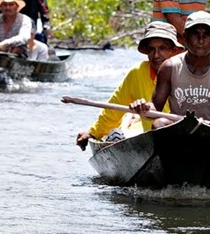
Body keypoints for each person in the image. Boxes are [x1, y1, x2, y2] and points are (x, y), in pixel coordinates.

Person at [130, 11, 210, 143]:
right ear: (185, 37)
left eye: (206, 35)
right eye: (195, 34)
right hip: (180, 134)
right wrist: (144, 107)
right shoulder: (169, 67)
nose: (201, 40)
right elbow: (156, 106)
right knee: (159, 124)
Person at [76, 21, 183, 150]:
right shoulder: (137, 73)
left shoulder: (186, 71)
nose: (156, 55)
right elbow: (115, 107)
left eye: (162, 48)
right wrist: (93, 132)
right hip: (149, 140)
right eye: (151, 49)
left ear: (174, 51)